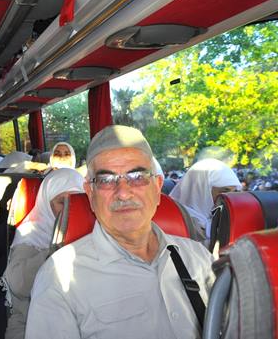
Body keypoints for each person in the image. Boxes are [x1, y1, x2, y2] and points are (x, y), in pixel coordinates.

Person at [25, 125, 215, 339]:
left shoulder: (199, 259)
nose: (123, 193)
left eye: (138, 176)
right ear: (90, 194)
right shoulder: (60, 277)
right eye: (106, 180)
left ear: (157, 187)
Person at [2, 168, 85, 339]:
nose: (68, 209)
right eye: (61, 202)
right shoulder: (31, 234)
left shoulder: (89, 234)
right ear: (46, 203)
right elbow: (18, 286)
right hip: (29, 325)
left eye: (74, 201)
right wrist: (55, 252)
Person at [169, 158, 241, 239]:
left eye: (234, 192)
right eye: (225, 191)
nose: (230, 198)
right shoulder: (176, 221)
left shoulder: (221, 219)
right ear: (202, 190)